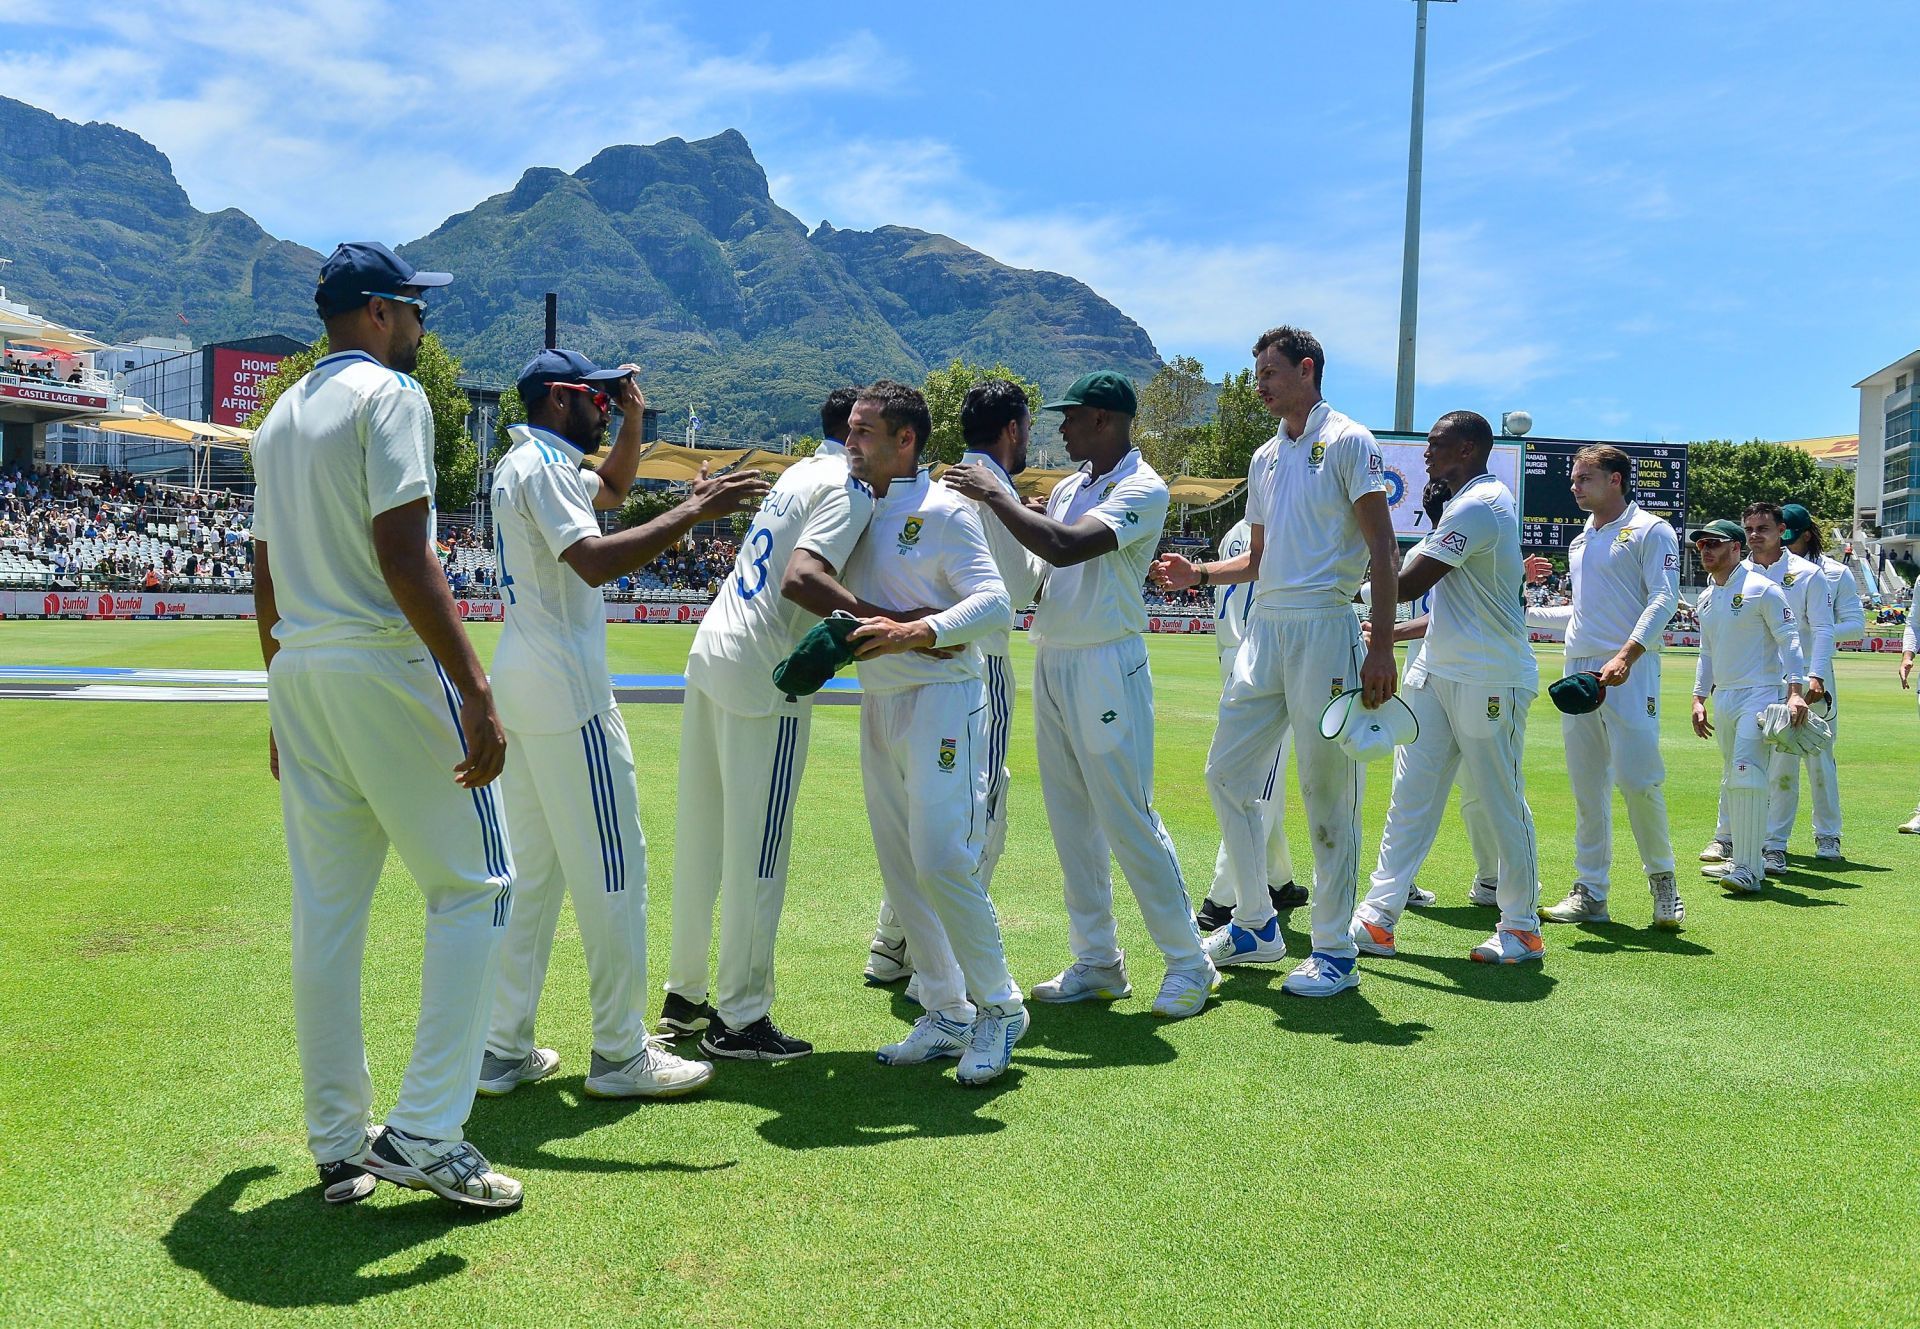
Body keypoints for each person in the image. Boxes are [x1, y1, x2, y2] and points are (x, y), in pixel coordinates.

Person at [251, 241, 520, 1209]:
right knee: (479, 888)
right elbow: (406, 554)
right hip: (379, 659)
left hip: (305, 671)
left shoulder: (279, 416)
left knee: (328, 915)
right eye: (413, 309)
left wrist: (281, 694)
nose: (420, 325)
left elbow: (266, 574)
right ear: (374, 312)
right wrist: (476, 689)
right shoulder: (389, 398)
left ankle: (337, 1143)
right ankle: (426, 1132)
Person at [477, 348, 766, 1101]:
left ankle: (501, 1047)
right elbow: (595, 560)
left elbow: (612, 487)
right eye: (597, 397)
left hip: (526, 680)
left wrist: (637, 419)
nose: (605, 406)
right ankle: (618, 1052)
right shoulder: (541, 466)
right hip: (568, 692)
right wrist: (696, 510)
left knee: (533, 877)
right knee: (614, 869)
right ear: (557, 399)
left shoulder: (530, 460)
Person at [950, 370, 1217, 1019]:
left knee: (1127, 816)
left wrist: (1000, 494)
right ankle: (1098, 960)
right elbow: (1033, 580)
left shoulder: (1142, 487)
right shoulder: (1071, 485)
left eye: (1072, 416)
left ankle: (1189, 962)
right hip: (1055, 656)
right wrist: (997, 510)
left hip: (1106, 663)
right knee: (1072, 824)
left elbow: (1066, 548)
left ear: (1104, 419)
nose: (1061, 427)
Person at [1152, 326, 1398, 998]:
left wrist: (1379, 645)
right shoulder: (1263, 457)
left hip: (1327, 626)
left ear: (1307, 369)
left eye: (1269, 370)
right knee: (1226, 775)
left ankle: (1333, 949)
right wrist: (1198, 572)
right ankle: (1257, 923)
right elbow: (1256, 561)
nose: (1259, 382)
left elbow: (1383, 546)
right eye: (1256, 371)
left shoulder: (1348, 439)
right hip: (1266, 627)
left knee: (1327, 792)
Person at [661, 387, 877, 1060]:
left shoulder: (798, 472)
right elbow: (801, 578)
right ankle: (741, 1017)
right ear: (858, 432)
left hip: (711, 652)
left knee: (702, 839)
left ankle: (684, 997)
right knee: (759, 853)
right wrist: (881, 621)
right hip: (766, 676)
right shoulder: (848, 484)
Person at [839, 381, 1026, 1085]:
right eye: (851, 430)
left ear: (905, 440)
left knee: (944, 857)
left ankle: (999, 1006)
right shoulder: (852, 502)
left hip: (945, 700)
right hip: (879, 701)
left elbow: (996, 606)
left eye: (862, 432)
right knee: (901, 864)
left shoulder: (944, 510)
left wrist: (920, 630)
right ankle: (946, 1008)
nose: (849, 442)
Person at [866, 379, 1044, 991]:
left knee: (921, 808)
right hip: (977, 661)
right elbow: (1017, 593)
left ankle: (893, 944)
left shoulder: (936, 485)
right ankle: (943, 967)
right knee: (975, 811)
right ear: (1014, 428)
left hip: (919, 666)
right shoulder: (991, 492)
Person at [1349, 411, 1545, 966]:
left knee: (1501, 799)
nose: (1426, 454)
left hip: (1489, 675)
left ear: (1466, 448)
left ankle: (1522, 927)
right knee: (1410, 798)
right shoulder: (1458, 508)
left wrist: (1339, 592)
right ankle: (1378, 917)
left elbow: (1410, 583)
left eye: (1434, 444)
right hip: (1435, 673)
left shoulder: (1482, 505)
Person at [1515, 445, 1684, 930]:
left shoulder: (1652, 530)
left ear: (1615, 480)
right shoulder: (1580, 540)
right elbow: (1580, 614)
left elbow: (1664, 598)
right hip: (1582, 673)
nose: (1574, 487)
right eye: (1573, 478)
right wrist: (1517, 605)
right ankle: (1591, 891)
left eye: (1584, 478)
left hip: (1630, 671)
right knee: (1587, 787)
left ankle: (1664, 885)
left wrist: (1626, 654)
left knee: (1638, 780)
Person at [1699, 502, 1833, 875]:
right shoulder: (1719, 583)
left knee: (1774, 770)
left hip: (1779, 686)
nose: (1757, 535)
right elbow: (1709, 646)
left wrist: (1808, 679)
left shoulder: (1802, 575)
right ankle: (1733, 844)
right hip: (1734, 689)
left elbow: (1813, 632)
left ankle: (1769, 850)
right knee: (1737, 768)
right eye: (1751, 528)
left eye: (1764, 528)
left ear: (1782, 531)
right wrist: (1700, 693)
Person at [1189, 514, 1302, 933]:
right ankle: (1223, 897)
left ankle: (1278, 878)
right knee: (1257, 786)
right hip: (1264, 659)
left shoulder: (1237, 532)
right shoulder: (1282, 526)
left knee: (1267, 777)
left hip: (1231, 653)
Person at [1771, 503, 1864, 859]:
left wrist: (1808, 631)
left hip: (1817, 674)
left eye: (1789, 537)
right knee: (1780, 759)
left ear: (1806, 535)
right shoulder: (1766, 568)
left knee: (1820, 757)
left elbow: (1855, 625)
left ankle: (1828, 836)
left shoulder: (1836, 573)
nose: (1783, 543)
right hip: (1775, 675)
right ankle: (1773, 840)